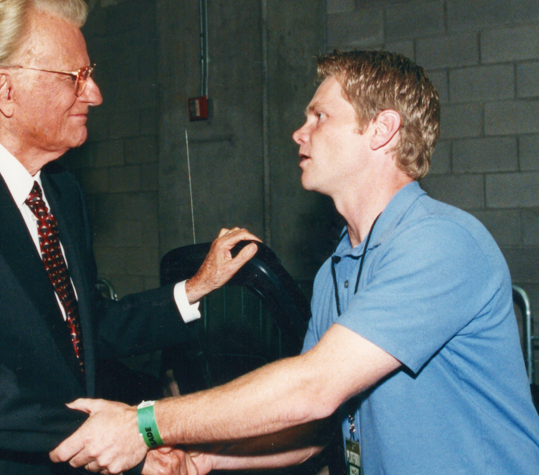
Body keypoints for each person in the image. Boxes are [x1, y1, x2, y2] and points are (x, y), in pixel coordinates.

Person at [50, 50, 539, 475]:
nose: (298, 133)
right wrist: (205, 458)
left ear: (382, 130)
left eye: (319, 117)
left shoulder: (440, 242)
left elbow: (313, 388)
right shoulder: (337, 270)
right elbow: (313, 426)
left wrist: (146, 423)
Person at [0, 0, 259, 474]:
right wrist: (111, 443)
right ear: (4, 90)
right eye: (76, 77)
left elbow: (84, 327)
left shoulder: (61, 191)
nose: (95, 94)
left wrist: (194, 289)